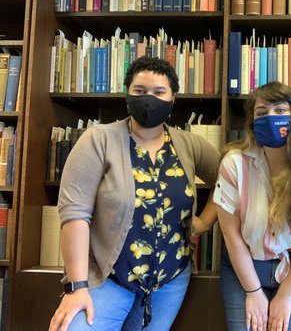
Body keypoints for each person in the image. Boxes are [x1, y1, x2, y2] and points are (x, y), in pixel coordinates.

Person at [49, 56, 220, 331]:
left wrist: (205, 221)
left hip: (169, 282)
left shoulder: (190, 144)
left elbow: (231, 180)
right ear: (127, 95)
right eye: (139, 91)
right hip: (108, 278)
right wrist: (77, 287)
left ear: (173, 97)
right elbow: (75, 215)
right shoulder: (98, 140)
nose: (149, 99)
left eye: (159, 92)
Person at [214, 82, 291, 331]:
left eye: (280, 110)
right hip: (247, 263)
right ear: (252, 122)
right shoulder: (233, 164)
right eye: (261, 113)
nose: (271, 118)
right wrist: (253, 291)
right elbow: (231, 234)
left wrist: (284, 297)